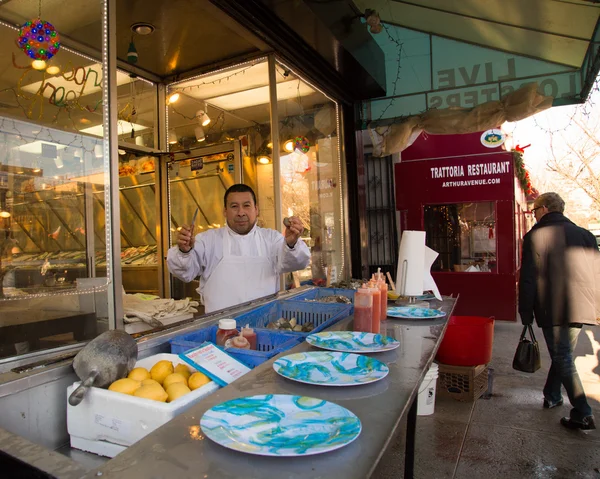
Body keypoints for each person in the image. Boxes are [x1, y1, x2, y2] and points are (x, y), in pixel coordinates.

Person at [518, 192, 598, 430]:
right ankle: (552, 395)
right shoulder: (585, 235)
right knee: (562, 354)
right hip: (581, 307)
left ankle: (582, 412)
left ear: (543, 209)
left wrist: (525, 312)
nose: (533, 215)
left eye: (534, 211)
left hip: (551, 308)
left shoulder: (536, 236)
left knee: (562, 356)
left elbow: (528, 278)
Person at [167, 184, 310, 313]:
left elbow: (297, 263)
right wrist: (184, 251)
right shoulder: (207, 240)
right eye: (234, 206)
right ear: (225, 211)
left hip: (264, 324)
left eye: (246, 205)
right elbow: (185, 273)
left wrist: (291, 244)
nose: (241, 212)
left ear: (256, 209)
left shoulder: (271, 239)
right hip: (220, 327)